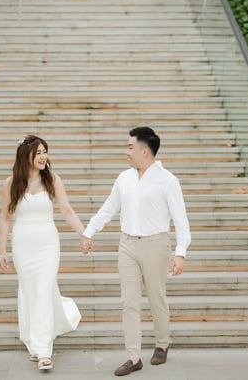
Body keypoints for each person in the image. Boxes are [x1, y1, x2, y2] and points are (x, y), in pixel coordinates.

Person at [80, 127, 191, 376]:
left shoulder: (168, 181)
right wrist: (89, 232)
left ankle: (162, 344)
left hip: (156, 245)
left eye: (130, 147)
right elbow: (109, 208)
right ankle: (133, 357)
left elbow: (181, 220)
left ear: (144, 150)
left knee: (156, 298)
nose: (126, 151)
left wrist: (180, 253)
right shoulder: (124, 178)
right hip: (127, 245)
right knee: (129, 302)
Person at [0, 134, 84, 371]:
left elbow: (67, 211)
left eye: (45, 151)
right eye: (38, 152)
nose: (43, 156)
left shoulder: (53, 180)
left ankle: (44, 351)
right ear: (25, 156)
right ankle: (33, 339)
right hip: (23, 245)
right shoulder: (11, 183)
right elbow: (6, 219)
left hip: (48, 244)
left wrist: (83, 234)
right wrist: (2, 250)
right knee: (30, 292)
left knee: (44, 290)